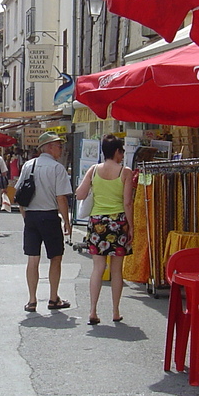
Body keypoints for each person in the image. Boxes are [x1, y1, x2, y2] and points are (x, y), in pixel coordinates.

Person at [74, 135, 134, 325]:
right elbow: (127, 202)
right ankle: (115, 311)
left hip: (97, 222)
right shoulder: (125, 172)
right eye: (121, 151)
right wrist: (131, 226)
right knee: (116, 270)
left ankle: (92, 310)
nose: (122, 155)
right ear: (117, 152)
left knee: (98, 268)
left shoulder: (93, 170)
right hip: (118, 222)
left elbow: (80, 194)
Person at [19, 131, 73, 312]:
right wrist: (66, 220)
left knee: (33, 258)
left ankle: (32, 300)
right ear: (49, 147)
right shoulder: (57, 168)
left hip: (32, 216)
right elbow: (61, 198)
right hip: (49, 216)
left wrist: (25, 215)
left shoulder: (28, 165)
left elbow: (20, 195)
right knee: (55, 257)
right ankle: (53, 297)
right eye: (58, 145)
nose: (61, 149)